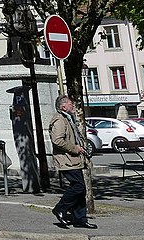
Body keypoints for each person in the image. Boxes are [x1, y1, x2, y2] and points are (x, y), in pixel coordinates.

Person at [49, 95, 96, 229]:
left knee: (81, 190)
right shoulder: (59, 120)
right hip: (66, 160)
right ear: (63, 106)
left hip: (74, 159)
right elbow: (57, 140)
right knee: (79, 186)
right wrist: (75, 148)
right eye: (70, 104)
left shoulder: (68, 118)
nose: (73, 106)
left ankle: (80, 219)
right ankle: (60, 209)